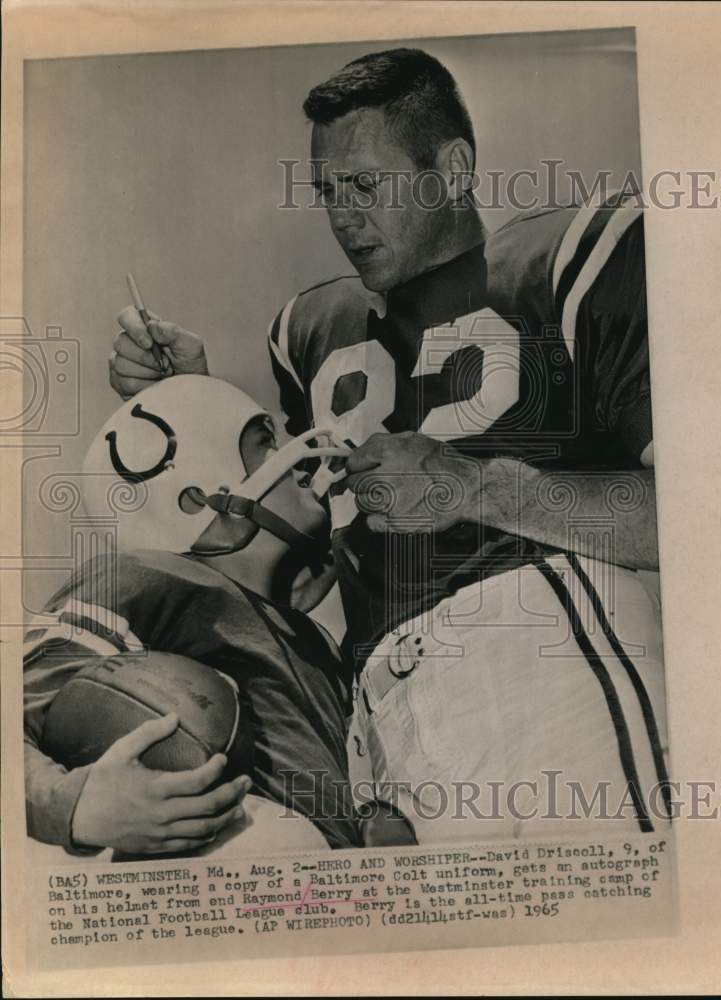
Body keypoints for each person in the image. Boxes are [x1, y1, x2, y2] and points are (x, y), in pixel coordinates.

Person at [108, 49, 669, 841]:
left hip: (539, 653)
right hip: (382, 716)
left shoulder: (568, 259)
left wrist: (474, 488)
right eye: (328, 193)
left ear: (453, 168)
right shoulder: (308, 332)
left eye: (366, 186)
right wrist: (189, 403)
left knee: (610, 936)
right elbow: (301, 572)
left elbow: (700, 522)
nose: (343, 218)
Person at [24, 374, 414, 857]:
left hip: (327, 892)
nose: (296, 460)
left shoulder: (314, 638)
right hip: (240, 869)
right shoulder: (140, 575)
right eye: (265, 443)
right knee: (279, 837)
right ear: (196, 498)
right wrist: (79, 808)